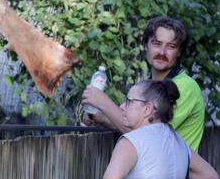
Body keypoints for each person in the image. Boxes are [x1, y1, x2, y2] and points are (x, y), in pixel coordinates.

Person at [82, 16, 205, 151]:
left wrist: (103, 102)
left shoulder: (185, 86)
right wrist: (102, 118)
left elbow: (147, 134)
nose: (162, 52)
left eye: (171, 46)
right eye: (157, 44)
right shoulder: (148, 85)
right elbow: (132, 125)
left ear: (179, 51)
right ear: (146, 45)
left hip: (177, 171)